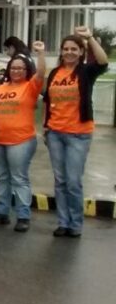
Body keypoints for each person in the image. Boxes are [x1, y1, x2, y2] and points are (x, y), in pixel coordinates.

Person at [43, 27, 109, 238]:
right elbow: (48, 102)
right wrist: (45, 126)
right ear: (61, 51)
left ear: (81, 52)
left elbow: (103, 62)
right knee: (60, 180)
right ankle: (63, 222)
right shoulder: (55, 73)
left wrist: (89, 38)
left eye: (74, 49)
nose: (69, 52)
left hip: (79, 134)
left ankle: (76, 223)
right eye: (66, 49)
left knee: (73, 181)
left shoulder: (86, 72)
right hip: (55, 133)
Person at [0, 41, 47, 233]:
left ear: (26, 70)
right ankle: (2, 212)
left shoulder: (30, 87)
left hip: (21, 141)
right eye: (13, 68)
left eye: (20, 68)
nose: (16, 71)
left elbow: (41, 73)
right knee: (2, 178)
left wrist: (41, 54)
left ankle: (23, 216)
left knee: (19, 178)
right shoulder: (0, 88)